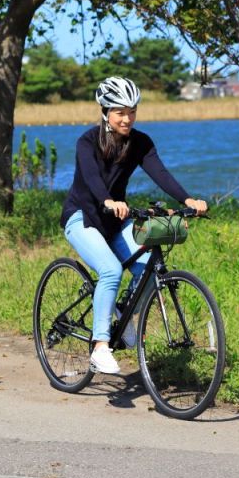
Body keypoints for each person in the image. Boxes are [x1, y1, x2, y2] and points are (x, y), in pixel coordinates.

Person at [60, 76, 207, 374]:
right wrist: (108, 200)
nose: (127, 118)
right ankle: (100, 347)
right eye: (120, 112)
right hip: (82, 217)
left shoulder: (140, 142)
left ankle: (123, 313)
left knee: (148, 273)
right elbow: (92, 178)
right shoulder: (87, 142)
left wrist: (188, 199)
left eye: (132, 111)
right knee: (111, 270)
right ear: (105, 111)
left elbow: (160, 174)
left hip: (115, 221)